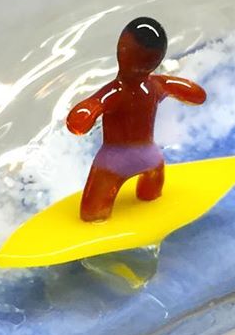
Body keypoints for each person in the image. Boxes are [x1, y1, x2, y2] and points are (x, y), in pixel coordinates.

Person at [66, 17, 206, 222]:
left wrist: (85, 113)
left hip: (112, 162)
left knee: (92, 212)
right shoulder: (154, 86)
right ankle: (148, 197)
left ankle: (96, 215)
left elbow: (85, 113)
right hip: (149, 158)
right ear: (157, 59)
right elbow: (195, 94)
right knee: (151, 192)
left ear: (121, 51)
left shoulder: (118, 91)